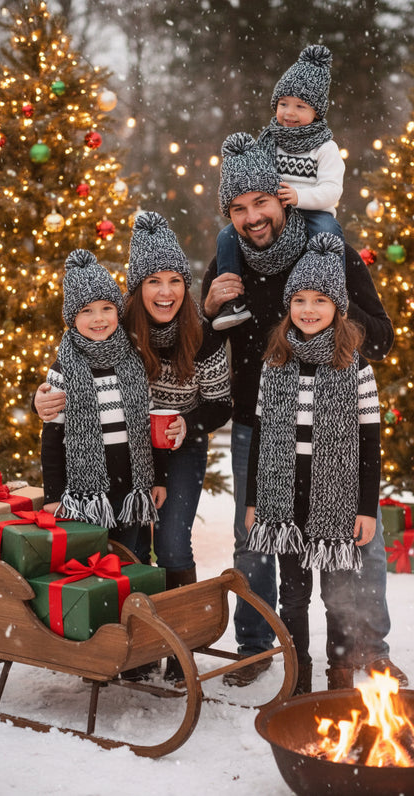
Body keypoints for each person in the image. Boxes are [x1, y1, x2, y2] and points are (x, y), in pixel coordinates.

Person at [201, 131, 408, 689]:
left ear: (283, 198)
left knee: (357, 544)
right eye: (239, 208)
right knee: (258, 539)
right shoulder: (225, 265)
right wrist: (209, 308)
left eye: (261, 202)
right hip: (260, 424)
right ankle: (258, 645)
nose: (252, 217)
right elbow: (198, 349)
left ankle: (368, 648)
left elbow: (384, 336)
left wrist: (329, 335)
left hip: (334, 420)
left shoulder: (330, 254)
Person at [36, 213, 232, 683]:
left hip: (176, 442)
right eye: (152, 281)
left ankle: (176, 641)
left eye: (174, 281)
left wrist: (186, 424)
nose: (164, 292)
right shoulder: (116, 323)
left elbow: (220, 404)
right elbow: (75, 361)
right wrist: (44, 398)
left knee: (169, 543)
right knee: (123, 548)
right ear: (134, 289)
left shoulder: (202, 333)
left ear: (186, 284)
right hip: (121, 447)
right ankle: (125, 644)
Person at [245, 232, 381, 693]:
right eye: (299, 299)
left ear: (337, 307)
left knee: (338, 597)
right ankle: (298, 673)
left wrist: (365, 508)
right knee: (294, 595)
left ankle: (339, 674)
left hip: (336, 502)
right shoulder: (274, 364)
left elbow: (369, 443)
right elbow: (262, 437)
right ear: (288, 307)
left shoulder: (355, 367)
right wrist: (252, 501)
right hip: (285, 505)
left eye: (320, 299)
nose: (308, 309)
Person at [40, 248, 166, 565]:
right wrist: (53, 496)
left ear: (117, 312)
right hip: (86, 493)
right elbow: (52, 438)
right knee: (92, 565)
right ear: (72, 318)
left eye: (107, 308)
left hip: (133, 489)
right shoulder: (63, 369)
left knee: (134, 560)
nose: (99, 318)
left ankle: (134, 612)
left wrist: (158, 478)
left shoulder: (133, 360)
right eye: (87, 311)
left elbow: (150, 427)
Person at [213, 44, 345, 332]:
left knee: (329, 233)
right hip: (277, 212)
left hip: (313, 211)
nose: (290, 113)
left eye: (301, 106)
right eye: (284, 104)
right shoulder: (270, 138)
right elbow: (253, 171)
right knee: (226, 236)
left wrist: (300, 197)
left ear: (317, 112)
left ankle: (332, 289)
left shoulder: (325, 148)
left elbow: (332, 191)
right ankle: (232, 301)